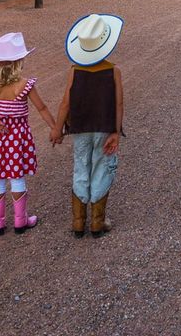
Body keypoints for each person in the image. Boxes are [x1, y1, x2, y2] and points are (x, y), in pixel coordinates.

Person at [0, 32, 57, 235]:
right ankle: (21, 220)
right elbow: (42, 108)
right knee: (17, 177)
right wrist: (55, 127)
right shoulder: (26, 85)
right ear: (20, 61)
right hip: (18, 138)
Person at [51, 13, 124, 238]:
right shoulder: (114, 71)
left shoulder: (74, 71)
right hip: (104, 127)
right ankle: (97, 222)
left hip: (80, 128)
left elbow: (66, 102)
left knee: (81, 167)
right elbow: (119, 102)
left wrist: (57, 128)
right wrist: (116, 131)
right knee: (101, 168)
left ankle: (78, 221)